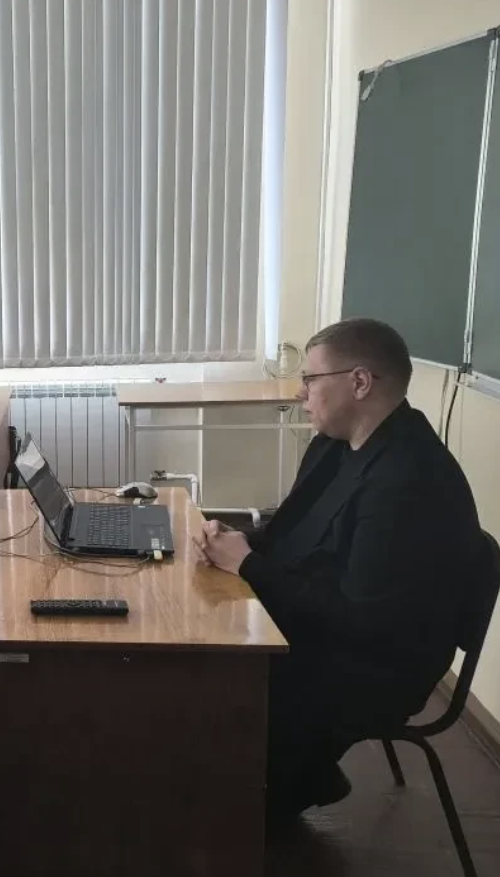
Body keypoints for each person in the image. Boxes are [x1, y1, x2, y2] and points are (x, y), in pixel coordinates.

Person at [194, 318, 482, 819]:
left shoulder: (408, 480)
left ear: (360, 382)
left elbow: (363, 621)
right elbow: (291, 531)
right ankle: (294, 775)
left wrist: (248, 564)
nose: (301, 393)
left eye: (310, 379)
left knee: (217, 671)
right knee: (204, 639)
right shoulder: (334, 443)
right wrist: (235, 542)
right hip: (331, 626)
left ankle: (259, 802)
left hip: (377, 664)